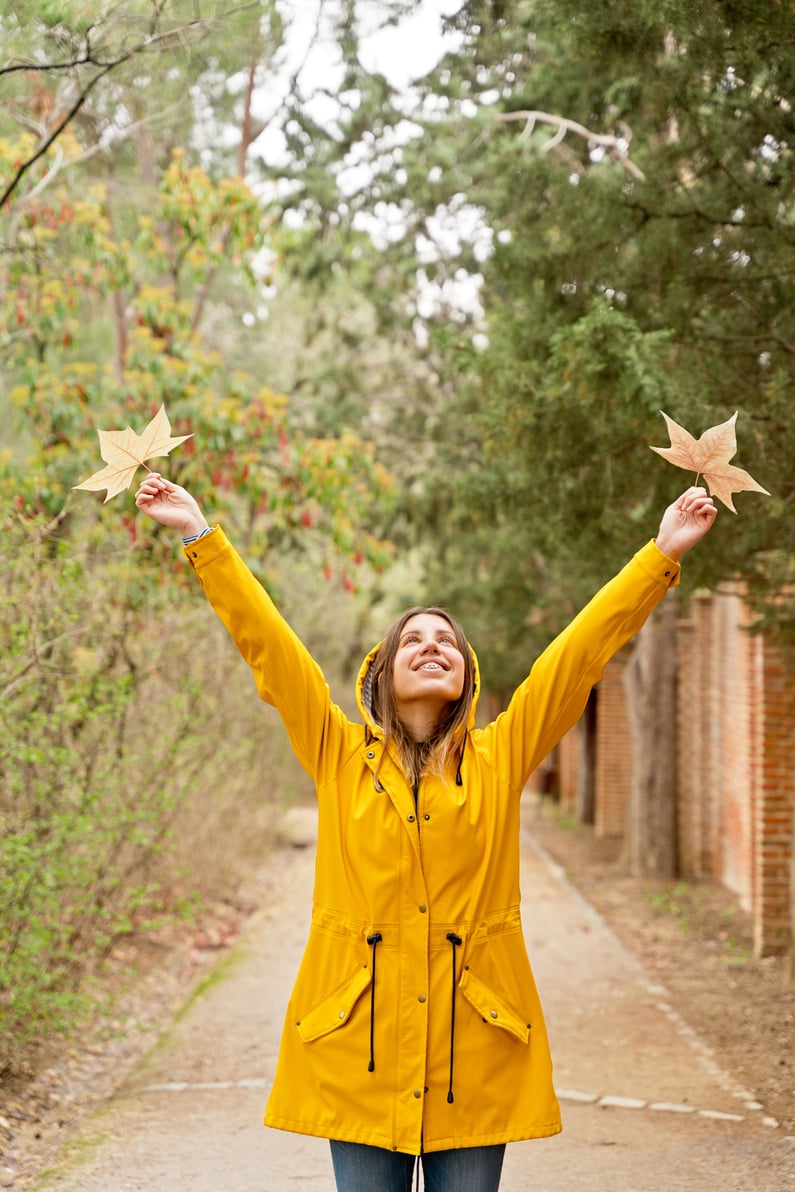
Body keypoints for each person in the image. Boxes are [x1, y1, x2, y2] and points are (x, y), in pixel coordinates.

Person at [135, 473, 717, 1192]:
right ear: (383, 670)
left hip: (475, 1046)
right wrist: (200, 535)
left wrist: (659, 554)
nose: (431, 645)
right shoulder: (336, 753)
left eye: (446, 639)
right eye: (412, 638)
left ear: (467, 674)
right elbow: (270, 649)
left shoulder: (501, 757)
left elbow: (577, 656)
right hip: (358, 1046)